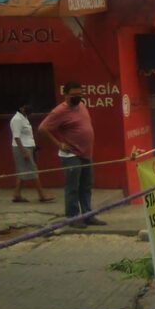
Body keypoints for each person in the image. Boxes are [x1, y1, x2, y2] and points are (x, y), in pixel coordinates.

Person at [38, 82, 107, 228]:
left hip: (86, 154)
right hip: (71, 155)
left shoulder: (81, 105)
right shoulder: (59, 111)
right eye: (74, 95)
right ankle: (73, 218)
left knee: (86, 186)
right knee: (73, 188)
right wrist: (59, 144)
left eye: (79, 94)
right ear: (66, 94)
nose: (77, 97)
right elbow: (42, 129)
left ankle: (88, 215)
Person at [9, 101, 54, 203]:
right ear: (20, 108)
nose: (28, 108)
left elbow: (26, 135)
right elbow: (16, 137)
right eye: (25, 106)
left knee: (24, 171)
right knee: (33, 170)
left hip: (28, 147)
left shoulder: (24, 118)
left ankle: (17, 194)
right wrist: (23, 151)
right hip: (22, 148)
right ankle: (41, 195)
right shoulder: (16, 119)